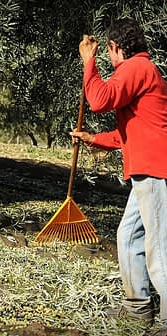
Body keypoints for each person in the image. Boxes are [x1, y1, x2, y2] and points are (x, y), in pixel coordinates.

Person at [72, 18, 167, 336]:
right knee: (128, 236)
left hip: (156, 172)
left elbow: (99, 100)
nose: (109, 61)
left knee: (159, 250)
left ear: (115, 47)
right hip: (147, 172)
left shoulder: (136, 68)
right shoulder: (143, 71)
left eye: (108, 54)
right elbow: (130, 134)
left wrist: (89, 63)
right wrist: (92, 139)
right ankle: (137, 308)